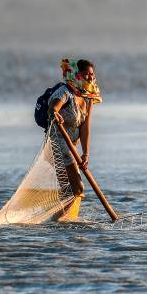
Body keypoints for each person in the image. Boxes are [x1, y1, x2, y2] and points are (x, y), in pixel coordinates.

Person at [49, 59, 102, 217]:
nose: (89, 78)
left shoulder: (87, 96)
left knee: (67, 191)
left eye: (91, 75)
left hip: (72, 146)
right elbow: (53, 108)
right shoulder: (66, 91)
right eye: (86, 74)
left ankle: (58, 224)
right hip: (57, 144)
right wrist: (54, 113)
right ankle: (56, 222)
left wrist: (85, 153)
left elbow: (85, 126)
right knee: (77, 188)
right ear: (76, 75)